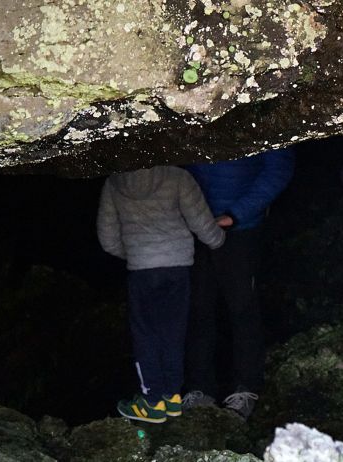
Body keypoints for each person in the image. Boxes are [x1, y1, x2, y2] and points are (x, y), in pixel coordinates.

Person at [97, 166, 230, 423]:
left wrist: (138, 254)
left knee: (146, 335)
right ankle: (172, 398)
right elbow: (200, 220)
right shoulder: (177, 175)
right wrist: (218, 240)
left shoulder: (115, 182)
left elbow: (108, 237)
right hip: (177, 267)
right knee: (173, 331)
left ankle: (152, 403)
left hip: (142, 270)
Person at [183, 149, 295, 419]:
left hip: (240, 230)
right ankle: (199, 388)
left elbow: (277, 170)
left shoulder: (260, 121)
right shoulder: (194, 119)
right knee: (198, 306)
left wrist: (236, 214)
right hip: (195, 227)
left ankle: (245, 388)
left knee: (242, 307)